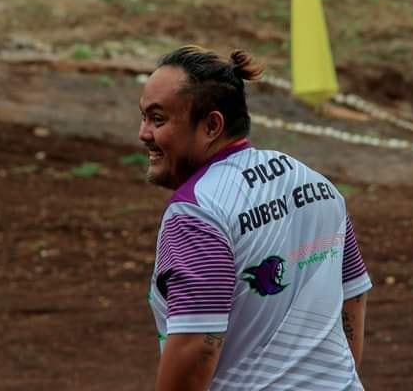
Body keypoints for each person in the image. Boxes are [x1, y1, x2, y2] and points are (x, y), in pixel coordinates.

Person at [139, 45, 373, 390]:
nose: (144, 133)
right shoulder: (317, 184)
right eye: (144, 117)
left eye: (158, 120)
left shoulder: (198, 211)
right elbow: (352, 297)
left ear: (211, 125)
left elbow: (196, 346)